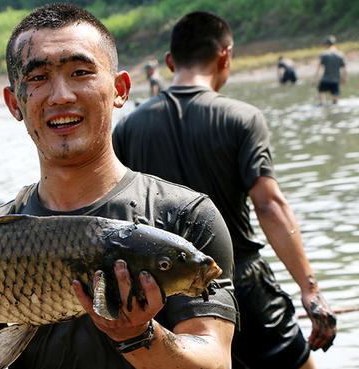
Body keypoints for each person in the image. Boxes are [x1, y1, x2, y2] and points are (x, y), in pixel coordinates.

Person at [0, 4, 237, 369]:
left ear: (119, 89)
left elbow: (216, 362)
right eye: (38, 79)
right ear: (14, 103)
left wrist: (137, 335)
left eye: (80, 72)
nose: (61, 95)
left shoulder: (185, 218)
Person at [113, 11, 337, 369]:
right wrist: (310, 290)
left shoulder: (128, 128)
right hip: (241, 283)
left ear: (170, 62)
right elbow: (270, 207)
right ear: (226, 55)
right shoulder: (242, 118)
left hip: (162, 293)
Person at [314, 35, 347, 105]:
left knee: (321, 93)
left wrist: (315, 79)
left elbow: (318, 68)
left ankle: (323, 105)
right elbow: (344, 69)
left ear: (326, 44)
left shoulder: (324, 54)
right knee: (335, 103)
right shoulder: (340, 54)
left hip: (325, 79)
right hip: (335, 80)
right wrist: (344, 79)